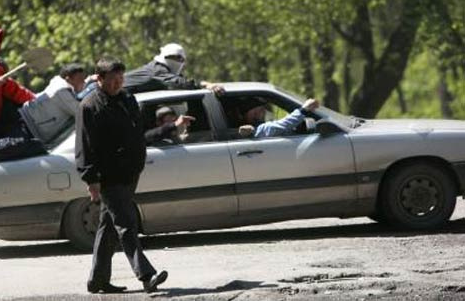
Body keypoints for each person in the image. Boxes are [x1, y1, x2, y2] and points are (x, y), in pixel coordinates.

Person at [76, 57, 167, 294]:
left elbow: (139, 133)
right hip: (109, 176)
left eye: (121, 79)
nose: (118, 84)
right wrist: (91, 179)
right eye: (113, 80)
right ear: (99, 79)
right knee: (127, 224)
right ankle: (147, 275)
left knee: (108, 227)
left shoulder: (127, 99)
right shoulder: (89, 106)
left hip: (130, 171)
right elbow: (84, 147)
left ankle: (98, 280)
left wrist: (169, 128)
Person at [0, 64, 87, 173]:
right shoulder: (62, 91)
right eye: (80, 79)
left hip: (25, 119)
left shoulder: (58, 82)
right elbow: (81, 112)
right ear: (69, 78)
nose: (83, 82)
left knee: (31, 148)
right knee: (16, 144)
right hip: (28, 124)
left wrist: (89, 82)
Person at [78, 43, 224, 98]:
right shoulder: (158, 70)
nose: (179, 63)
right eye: (176, 59)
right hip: (98, 91)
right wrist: (206, 85)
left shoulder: (158, 69)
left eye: (181, 60)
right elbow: (181, 83)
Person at [238, 98, 320, 138]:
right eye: (257, 111)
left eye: (262, 110)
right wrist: (304, 109)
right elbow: (278, 126)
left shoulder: (258, 128)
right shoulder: (259, 129)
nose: (262, 113)